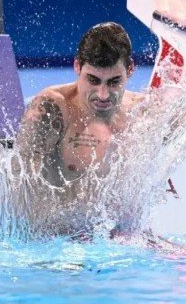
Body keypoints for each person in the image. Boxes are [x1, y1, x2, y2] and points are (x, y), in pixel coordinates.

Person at [16, 22, 143, 189]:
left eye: (114, 82)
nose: (103, 94)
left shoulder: (142, 111)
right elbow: (19, 184)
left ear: (130, 69)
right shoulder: (52, 108)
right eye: (93, 80)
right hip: (57, 215)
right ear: (77, 66)